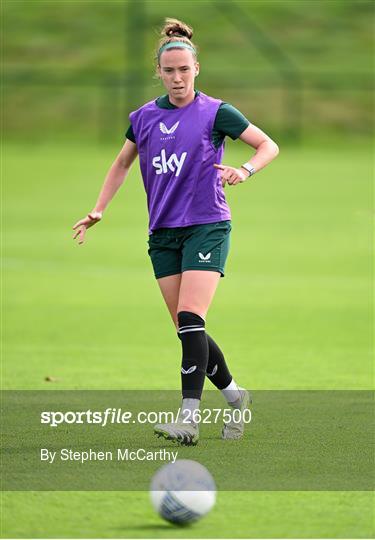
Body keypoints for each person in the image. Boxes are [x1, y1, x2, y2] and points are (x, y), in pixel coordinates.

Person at [73, 18, 279, 446]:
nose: (178, 77)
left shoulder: (217, 112)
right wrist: (98, 209)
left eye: (185, 70)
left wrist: (244, 169)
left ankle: (188, 418)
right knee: (189, 329)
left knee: (190, 319)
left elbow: (267, 145)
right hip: (163, 234)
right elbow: (122, 163)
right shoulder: (144, 117)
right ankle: (237, 397)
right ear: (160, 73)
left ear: (196, 68)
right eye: (170, 71)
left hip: (207, 225)